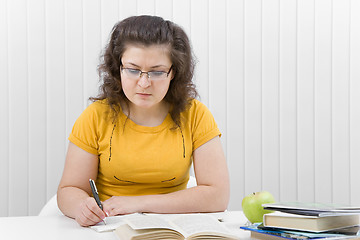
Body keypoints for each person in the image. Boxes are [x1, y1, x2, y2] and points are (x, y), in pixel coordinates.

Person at [57, 15, 230, 227]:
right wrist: (81, 207)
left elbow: (217, 196)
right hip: (110, 227)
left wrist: (137, 203)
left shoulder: (196, 115)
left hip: (172, 227)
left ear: (173, 72)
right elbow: (68, 190)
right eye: (132, 70)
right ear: (118, 67)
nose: (144, 83)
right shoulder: (95, 116)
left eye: (157, 72)